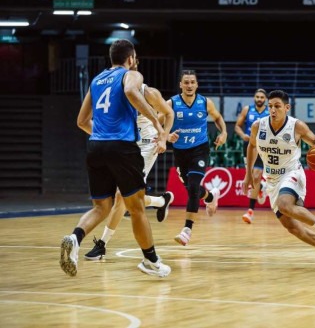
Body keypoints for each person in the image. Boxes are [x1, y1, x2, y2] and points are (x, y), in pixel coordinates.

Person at [61, 39, 171, 278]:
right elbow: (131, 91)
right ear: (131, 58)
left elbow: (81, 121)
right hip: (122, 147)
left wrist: (103, 137)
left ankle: (75, 237)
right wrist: (156, 124)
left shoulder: (96, 80)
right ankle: (150, 261)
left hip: (96, 146)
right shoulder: (131, 75)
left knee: (102, 206)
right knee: (137, 207)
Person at [242, 90, 315, 270]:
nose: (273, 110)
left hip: (292, 173)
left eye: (277, 106)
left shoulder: (296, 126)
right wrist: (248, 174)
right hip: (272, 179)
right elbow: (252, 147)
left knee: (285, 204)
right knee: (292, 228)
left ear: (287, 108)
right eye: (270, 106)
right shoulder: (258, 126)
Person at [84, 83, 175, 260]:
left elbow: (166, 113)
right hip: (125, 145)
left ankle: (102, 245)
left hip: (147, 146)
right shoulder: (115, 93)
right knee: (128, 197)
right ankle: (160, 201)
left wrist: (164, 135)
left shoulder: (148, 92)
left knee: (121, 196)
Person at [167, 69, 227, 246]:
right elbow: (158, 122)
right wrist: (167, 135)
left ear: (197, 84)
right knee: (192, 189)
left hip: (200, 150)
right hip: (180, 153)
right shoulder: (171, 103)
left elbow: (218, 117)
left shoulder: (205, 102)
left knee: (193, 188)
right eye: (186, 82)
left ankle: (187, 230)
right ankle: (211, 197)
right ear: (180, 85)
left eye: (192, 82)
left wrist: (223, 132)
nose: (189, 85)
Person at [234, 88, 269, 224]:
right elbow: (237, 126)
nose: (259, 99)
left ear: (265, 99)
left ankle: (250, 211)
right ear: (254, 98)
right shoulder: (247, 109)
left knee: (256, 175)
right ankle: (260, 187)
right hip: (249, 146)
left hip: (264, 146)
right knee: (253, 177)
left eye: (262, 97)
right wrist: (243, 135)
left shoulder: (269, 112)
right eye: (257, 97)